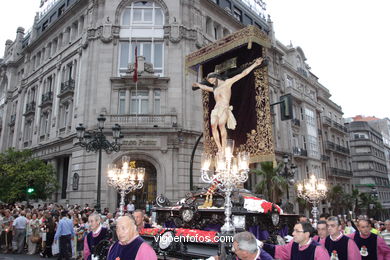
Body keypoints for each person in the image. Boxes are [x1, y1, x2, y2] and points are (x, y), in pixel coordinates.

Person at [192, 57, 264, 152]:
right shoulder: (214, 89)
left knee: (221, 126)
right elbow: (205, 87)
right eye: (210, 81)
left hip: (224, 108)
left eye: (212, 80)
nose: (211, 82)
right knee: (213, 127)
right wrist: (198, 85)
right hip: (215, 110)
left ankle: (224, 147)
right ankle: (220, 148)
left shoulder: (227, 83)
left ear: (216, 77)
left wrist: (255, 64)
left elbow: (243, 74)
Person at [261, 222, 329, 260]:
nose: (293, 233)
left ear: (306, 234)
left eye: (297, 231)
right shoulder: (293, 244)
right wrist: (262, 245)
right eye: (294, 230)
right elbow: (279, 250)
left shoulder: (318, 249)